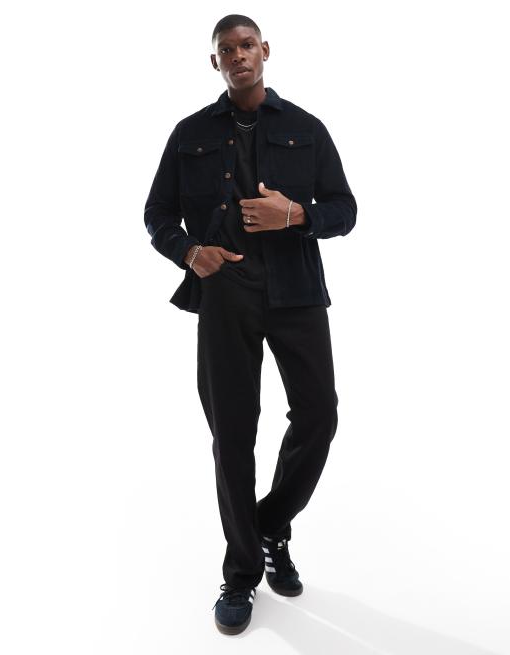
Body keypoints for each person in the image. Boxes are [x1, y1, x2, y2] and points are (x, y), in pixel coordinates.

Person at [144, 14, 357, 636]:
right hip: (225, 293)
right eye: (226, 49)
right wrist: (190, 252)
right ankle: (241, 572)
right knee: (233, 433)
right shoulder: (189, 134)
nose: (238, 55)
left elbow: (345, 210)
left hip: (296, 291)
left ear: (265, 50)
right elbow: (156, 213)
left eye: (246, 45)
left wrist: (296, 214)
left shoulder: (306, 129)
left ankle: (267, 526)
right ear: (215, 62)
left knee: (319, 415)